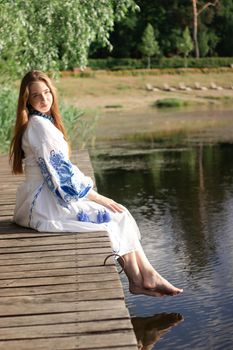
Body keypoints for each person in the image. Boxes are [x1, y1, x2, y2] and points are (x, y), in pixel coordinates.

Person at [10, 70, 183, 297]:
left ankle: (143, 276)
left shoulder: (40, 122)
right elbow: (61, 175)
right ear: (27, 100)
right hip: (43, 204)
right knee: (114, 216)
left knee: (119, 215)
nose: (44, 99)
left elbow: (63, 168)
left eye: (47, 92)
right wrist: (100, 197)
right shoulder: (39, 127)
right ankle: (143, 278)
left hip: (41, 196)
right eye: (36, 96)